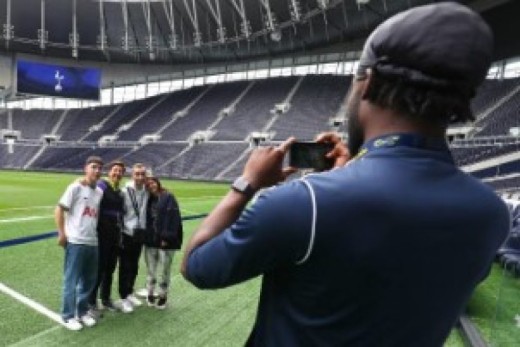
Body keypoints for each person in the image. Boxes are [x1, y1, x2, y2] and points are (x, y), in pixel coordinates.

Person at [181, 3, 510, 346]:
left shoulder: (305, 203)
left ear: (367, 84)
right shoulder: (490, 213)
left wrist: (245, 184)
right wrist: (348, 176)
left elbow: (198, 266)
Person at [55, 156, 104, 331]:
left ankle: (82, 312)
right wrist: (62, 233)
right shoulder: (75, 187)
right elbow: (59, 209)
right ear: (86, 168)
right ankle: (68, 316)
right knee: (71, 280)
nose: (97, 171)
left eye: (99, 168)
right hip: (75, 241)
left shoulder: (99, 192)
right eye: (94, 167)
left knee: (89, 281)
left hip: (93, 242)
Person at [88, 160, 126, 312]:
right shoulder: (102, 186)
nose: (117, 173)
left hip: (115, 236)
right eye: (115, 170)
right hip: (102, 235)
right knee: (99, 269)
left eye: (120, 171)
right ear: (109, 172)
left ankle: (105, 298)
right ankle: (91, 300)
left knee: (110, 269)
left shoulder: (119, 192)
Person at [143, 176, 183, 309]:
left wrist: (166, 238)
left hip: (165, 242)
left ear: (157, 183)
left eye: (152, 183)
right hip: (150, 241)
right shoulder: (147, 199)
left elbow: (173, 218)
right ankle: (150, 293)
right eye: (148, 184)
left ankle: (163, 295)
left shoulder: (168, 197)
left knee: (164, 271)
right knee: (151, 270)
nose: (151, 186)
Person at [118, 163, 149, 313]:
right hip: (127, 233)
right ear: (132, 175)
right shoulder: (125, 191)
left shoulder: (146, 191)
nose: (140, 177)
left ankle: (130, 292)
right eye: (137, 174)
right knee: (125, 266)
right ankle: (123, 298)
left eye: (143, 174)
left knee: (135, 266)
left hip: (140, 234)